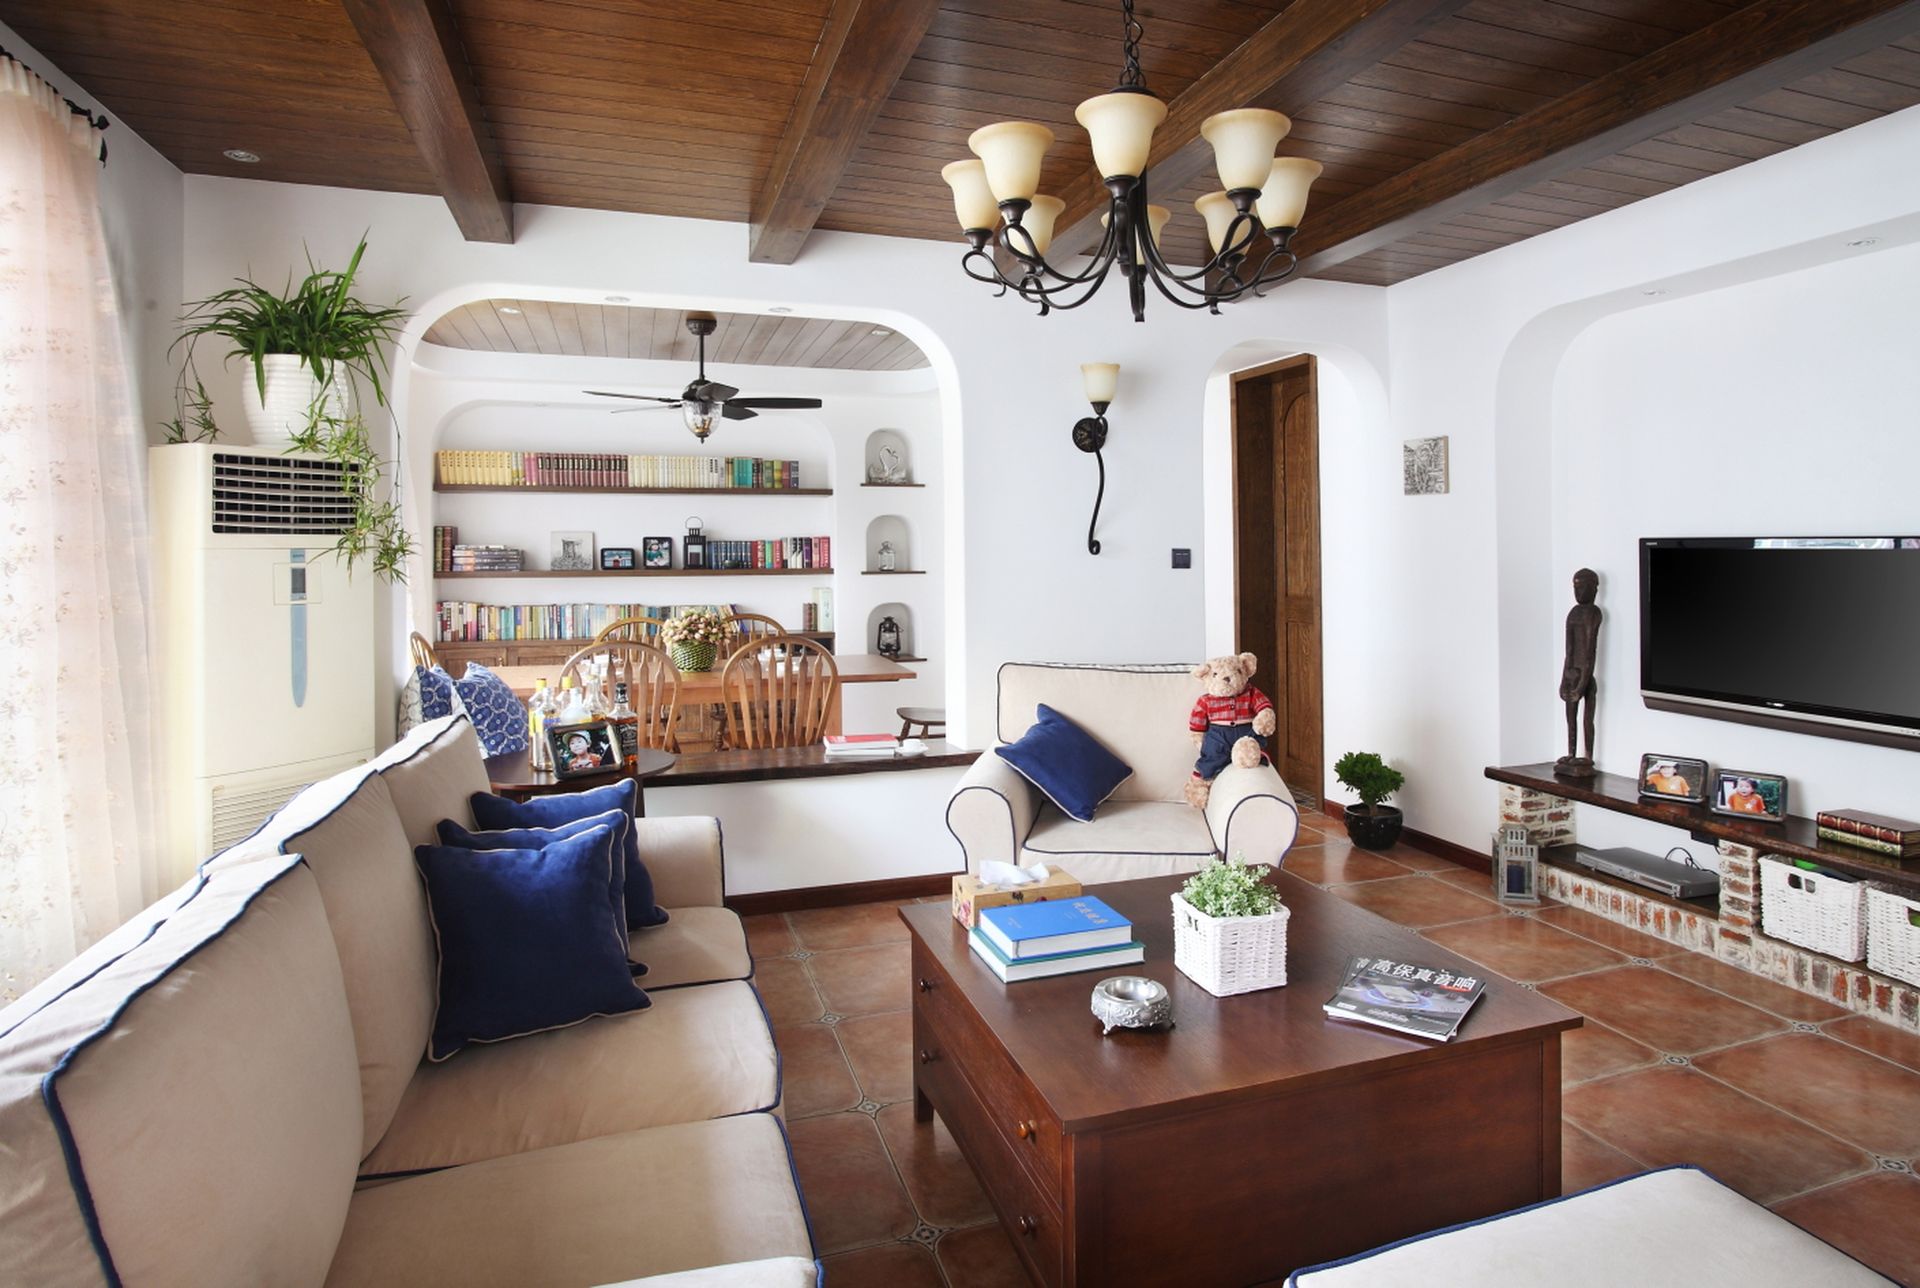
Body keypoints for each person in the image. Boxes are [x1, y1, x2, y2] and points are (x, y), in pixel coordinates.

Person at [1555, 568, 1601, 777]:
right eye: (1576, 587)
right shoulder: (1573, 613)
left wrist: (1583, 680)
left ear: (1594, 589)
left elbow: (1590, 650)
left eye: (1583, 587)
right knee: (1570, 716)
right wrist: (1565, 678)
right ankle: (1570, 752)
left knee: (1586, 717)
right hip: (1572, 673)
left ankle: (1588, 756)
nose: (1579, 592)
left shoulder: (1593, 613)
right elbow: (1569, 649)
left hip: (1586, 675)